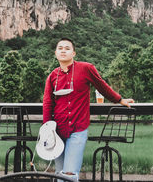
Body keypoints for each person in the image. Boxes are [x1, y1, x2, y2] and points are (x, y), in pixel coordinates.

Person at [42, 37, 134, 181]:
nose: (63, 51)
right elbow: (47, 104)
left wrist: (119, 99)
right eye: (60, 48)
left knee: (70, 175)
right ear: (55, 53)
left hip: (78, 129)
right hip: (57, 132)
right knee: (60, 174)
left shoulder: (86, 68)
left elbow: (101, 85)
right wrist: (46, 130)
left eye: (67, 48)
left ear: (74, 53)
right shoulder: (53, 76)